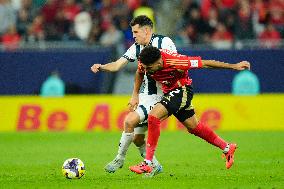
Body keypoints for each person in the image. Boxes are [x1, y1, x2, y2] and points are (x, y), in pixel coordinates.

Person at [129, 46, 250, 177]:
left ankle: (148, 162)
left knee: (153, 117)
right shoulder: (145, 62)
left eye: (149, 68)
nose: (147, 71)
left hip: (182, 90)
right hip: (169, 92)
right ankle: (227, 147)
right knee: (193, 127)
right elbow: (140, 72)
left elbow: (205, 63)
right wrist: (135, 94)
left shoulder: (177, 61)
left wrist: (234, 66)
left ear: (159, 62)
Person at [90, 15, 177, 175]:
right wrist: (102, 67)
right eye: (133, 32)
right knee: (137, 139)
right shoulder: (136, 47)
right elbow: (117, 65)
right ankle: (155, 165)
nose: (133, 35)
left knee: (129, 121)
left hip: (162, 96)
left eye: (136, 32)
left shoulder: (164, 43)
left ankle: (119, 159)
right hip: (146, 96)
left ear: (146, 31)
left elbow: (173, 66)